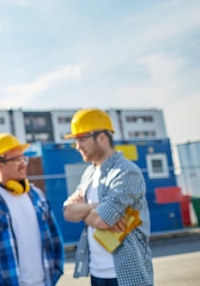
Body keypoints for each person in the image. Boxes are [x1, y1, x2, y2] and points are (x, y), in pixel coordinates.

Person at [63, 108, 153, 286]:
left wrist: (87, 212)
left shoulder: (126, 172)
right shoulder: (89, 173)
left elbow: (102, 221)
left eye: (82, 139)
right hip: (97, 273)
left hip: (126, 274)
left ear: (102, 137)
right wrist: (95, 207)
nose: (77, 146)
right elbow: (67, 212)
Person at [0, 133, 64, 286]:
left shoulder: (37, 196)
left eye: (23, 158)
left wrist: (57, 270)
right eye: (16, 160)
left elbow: (55, 238)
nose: (23, 164)